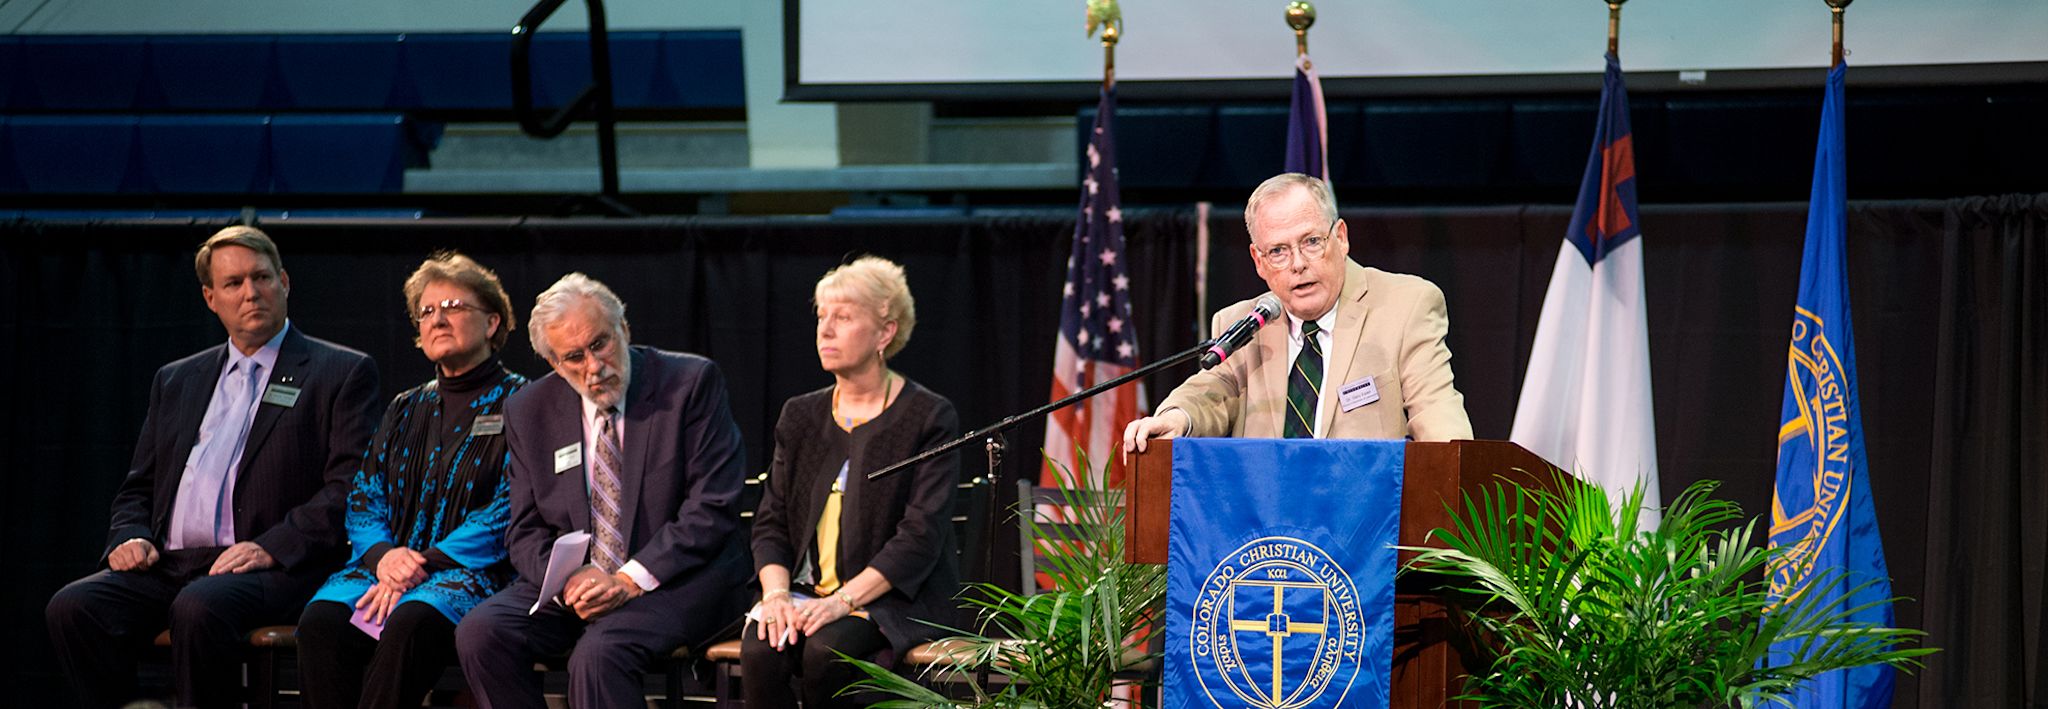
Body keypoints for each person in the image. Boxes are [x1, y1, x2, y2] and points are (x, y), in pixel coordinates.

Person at [45, 225, 381, 709]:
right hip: (171, 564)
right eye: (234, 283)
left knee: (199, 607)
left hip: (274, 566)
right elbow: (138, 488)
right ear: (210, 297)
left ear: (284, 282)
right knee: (73, 608)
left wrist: (269, 548)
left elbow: (349, 489)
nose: (251, 293)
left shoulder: (340, 371)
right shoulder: (178, 378)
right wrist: (128, 537)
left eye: (261, 278)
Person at [455, 273, 752, 709]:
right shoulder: (529, 409)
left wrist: (627, 580)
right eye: (574, 357)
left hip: (676, 578)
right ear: (554, 363)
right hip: (581, 585)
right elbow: (524, 529)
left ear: (624, 330)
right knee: (482, 632)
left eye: (600, 344)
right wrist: (572, 582)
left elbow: (711, 508)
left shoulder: (689, 383)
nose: (594, 367)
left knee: (599, 654)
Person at [294, 253, 527, 709]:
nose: (438, 318)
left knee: (412, 618)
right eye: (427, 311)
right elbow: (365, 496)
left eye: (455, 306)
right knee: (321, 620)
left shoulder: (525, 402)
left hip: (469, 571)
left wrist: (421, 563)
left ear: (493, 322)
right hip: (385, 568)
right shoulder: (405, 407)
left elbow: (514, 502)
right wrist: (384, 558)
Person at [743, 257, 962, 709]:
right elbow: (771, 523)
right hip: (806, 594)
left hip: (892, 600)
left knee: (827, 652)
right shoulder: (800, 414)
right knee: (762, 649)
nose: (825, 330)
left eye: (842, 317)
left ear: (885, 333)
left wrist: (843, 601)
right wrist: (778, 595)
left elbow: (920, 537)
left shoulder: (928, 416)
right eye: (822, 317)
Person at [1124, 173, 1472, 452]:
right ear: (1259, 261)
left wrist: (1456, 486)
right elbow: (1209, 392)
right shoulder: (1244, 324)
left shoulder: (1404, 305)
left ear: (1341, 237)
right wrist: (1176, 417)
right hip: (1269, 532)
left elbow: (1436, 411)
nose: (1298, 265)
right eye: (1278, 251)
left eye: (1311, 242)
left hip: (1368, 524)